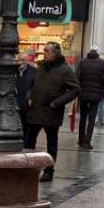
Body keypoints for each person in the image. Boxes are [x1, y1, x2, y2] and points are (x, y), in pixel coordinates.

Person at [19, 42, 78, 181]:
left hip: (51, 112)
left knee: (51, 143)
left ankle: (49, 170)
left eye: (47, 51)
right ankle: (29, 168)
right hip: (35, 110)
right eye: (44, 51)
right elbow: (31, 86)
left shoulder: (65, 70)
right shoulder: (40, 68)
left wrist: (57, 103)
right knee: (29, 141)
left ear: (55, 53)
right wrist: (29, 97)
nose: (44, 53)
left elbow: (75, 89)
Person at [75, 46, 104, 150]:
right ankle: (87, 141)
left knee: (83, 118)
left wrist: (81, 85)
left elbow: (77, 76)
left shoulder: (83, 62)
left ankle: (81, 140)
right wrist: (101, 82)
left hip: (83, 94)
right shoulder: (102, 63)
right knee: (91, 119)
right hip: (96, 95)